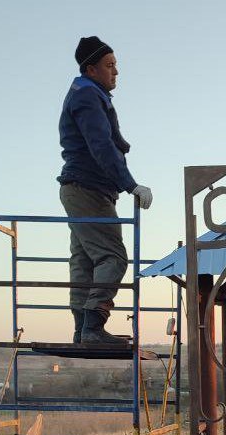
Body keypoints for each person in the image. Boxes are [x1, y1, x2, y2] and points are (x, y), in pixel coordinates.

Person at [57, 36, 152, 345]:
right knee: (113, 256)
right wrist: (131, 185)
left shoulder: (85, 93)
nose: (116, 72)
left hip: (79, 189)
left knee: (85, 259)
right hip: (89, 190)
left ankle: (82, 329)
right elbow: (102, 146)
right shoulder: (87, 96)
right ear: (91, 69)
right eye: (110, 65)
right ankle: (93, 328)